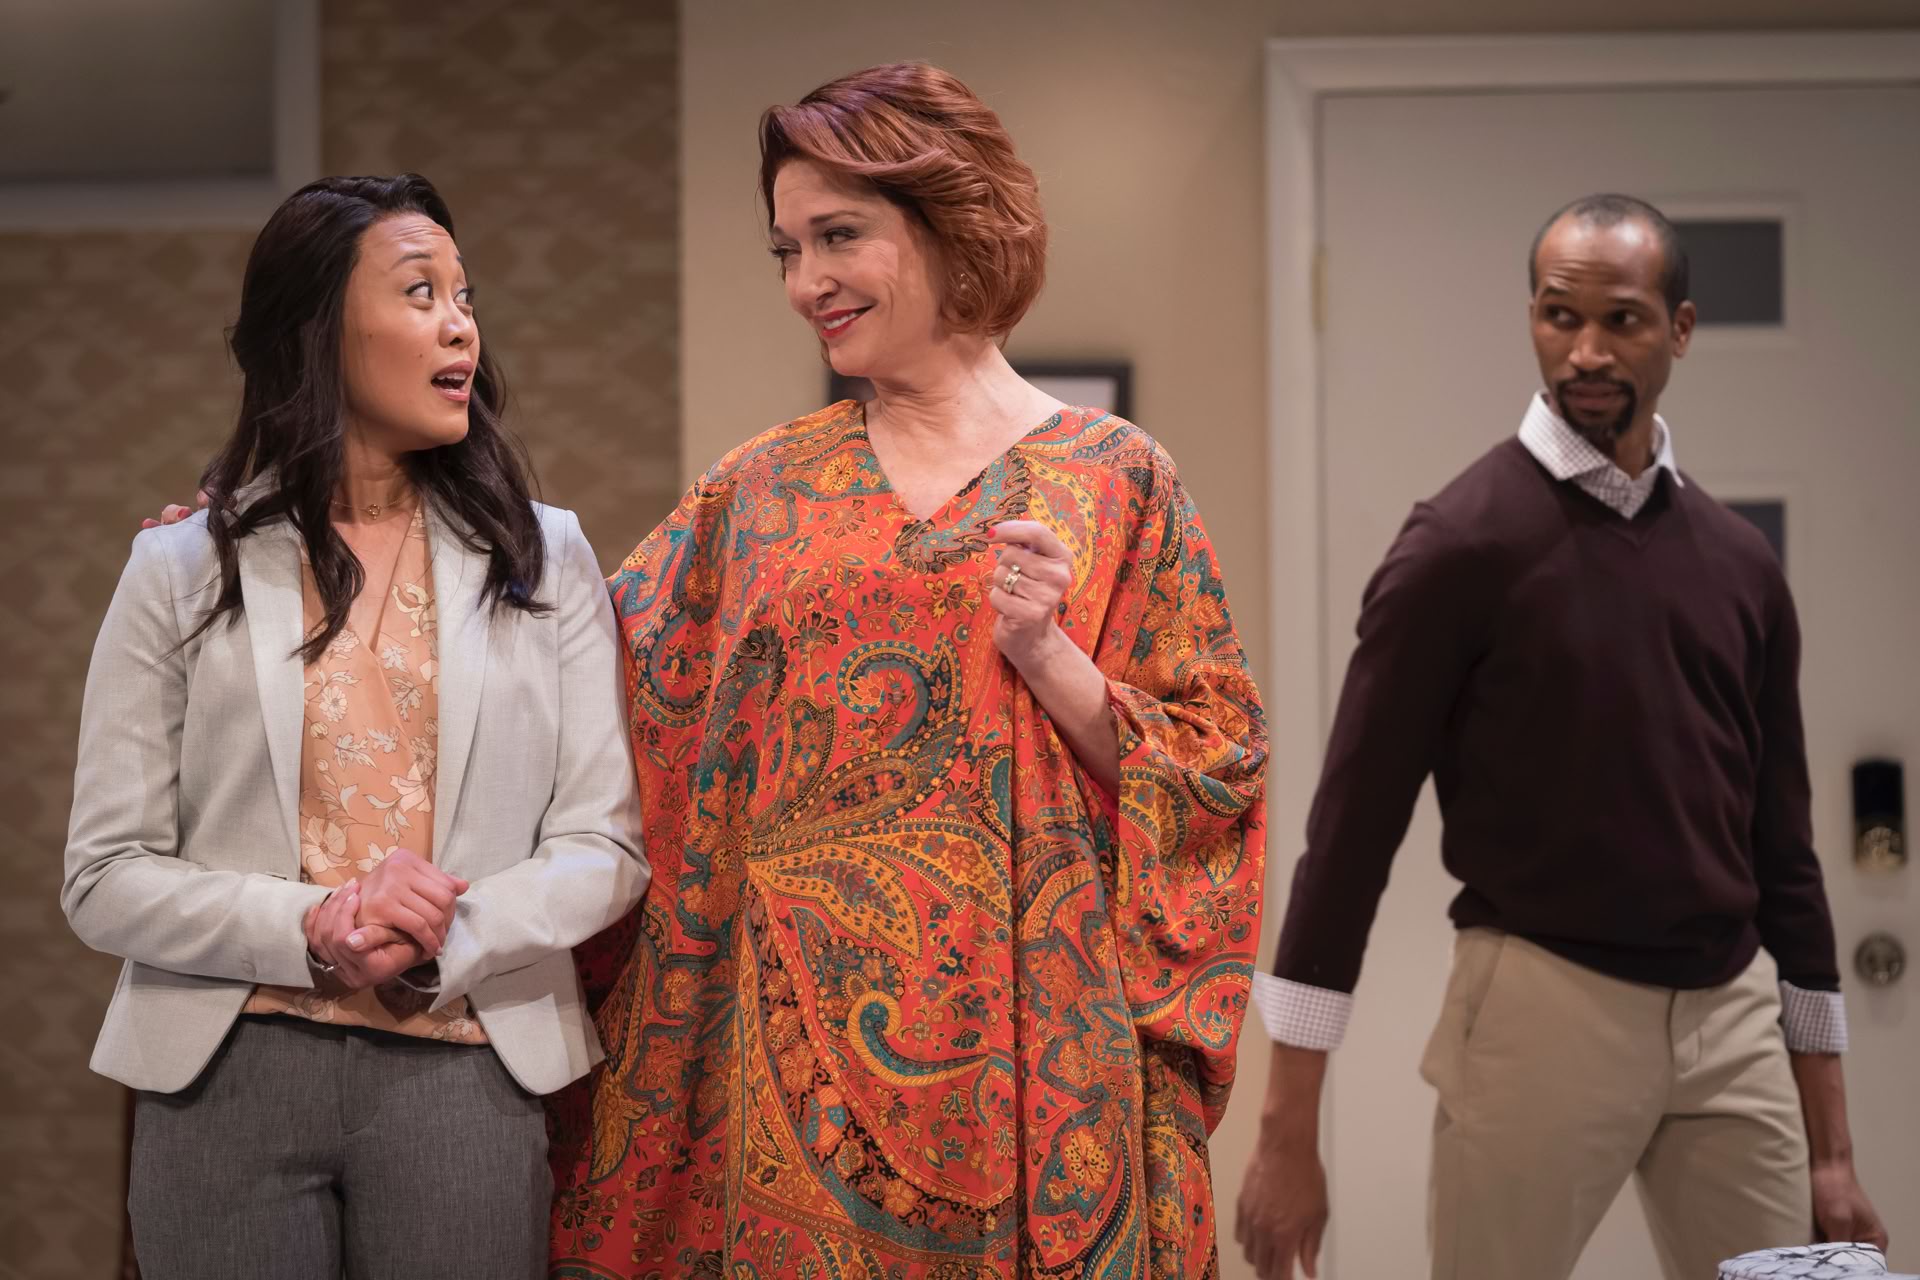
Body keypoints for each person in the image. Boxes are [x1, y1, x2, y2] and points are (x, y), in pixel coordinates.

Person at [544, 63, 1269, 1279]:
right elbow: (587, 674)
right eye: (788, 250)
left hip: (1039, 1055)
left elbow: (1215, 768)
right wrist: (344, 527)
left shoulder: (1118, 478)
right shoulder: (757, 488)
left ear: (951, 223)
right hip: (782, 1079)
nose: (805, 282)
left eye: (839, 236)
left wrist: (1050, 656)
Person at [1233, 194, 1886, 1280]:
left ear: (1679, 329)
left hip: (1730, 1020)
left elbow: (1786, 856)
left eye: (1621, 320)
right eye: (1558, 315)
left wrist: (1835, 1151)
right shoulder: (1458, 546)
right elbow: (1348, 837)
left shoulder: (1740, 567)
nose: (1585, 350)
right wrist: (1285, 1130)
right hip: (1540, 1005)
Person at [65, 174, 650, 1280]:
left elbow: (604, 846)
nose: (460, 324)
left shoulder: (545, 556)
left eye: (465, 297)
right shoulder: (181, 566)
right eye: (421, 292)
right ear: (318, 329)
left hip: (464, 1061)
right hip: (225, 1070)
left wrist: (444, 936)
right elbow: (103, 876)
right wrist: (315, 924)